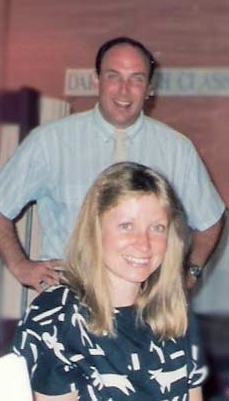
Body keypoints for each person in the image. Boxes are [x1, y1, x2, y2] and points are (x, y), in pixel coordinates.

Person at [0, 36, 225, 292]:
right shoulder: (50, 141)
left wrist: (190, 272)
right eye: (113, 76)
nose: (124, 90)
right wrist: (20, 266)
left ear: (150, 88)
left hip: (145, 310)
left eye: (136, 79)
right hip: (71, 302)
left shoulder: (177, 149)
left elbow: (210, 221)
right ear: (96, 80)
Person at [12, 162, 208, 400]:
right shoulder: (56, 316)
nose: (143, 243)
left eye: (157, 228)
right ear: (95, 230)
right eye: (126, 226)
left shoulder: (175, 311)